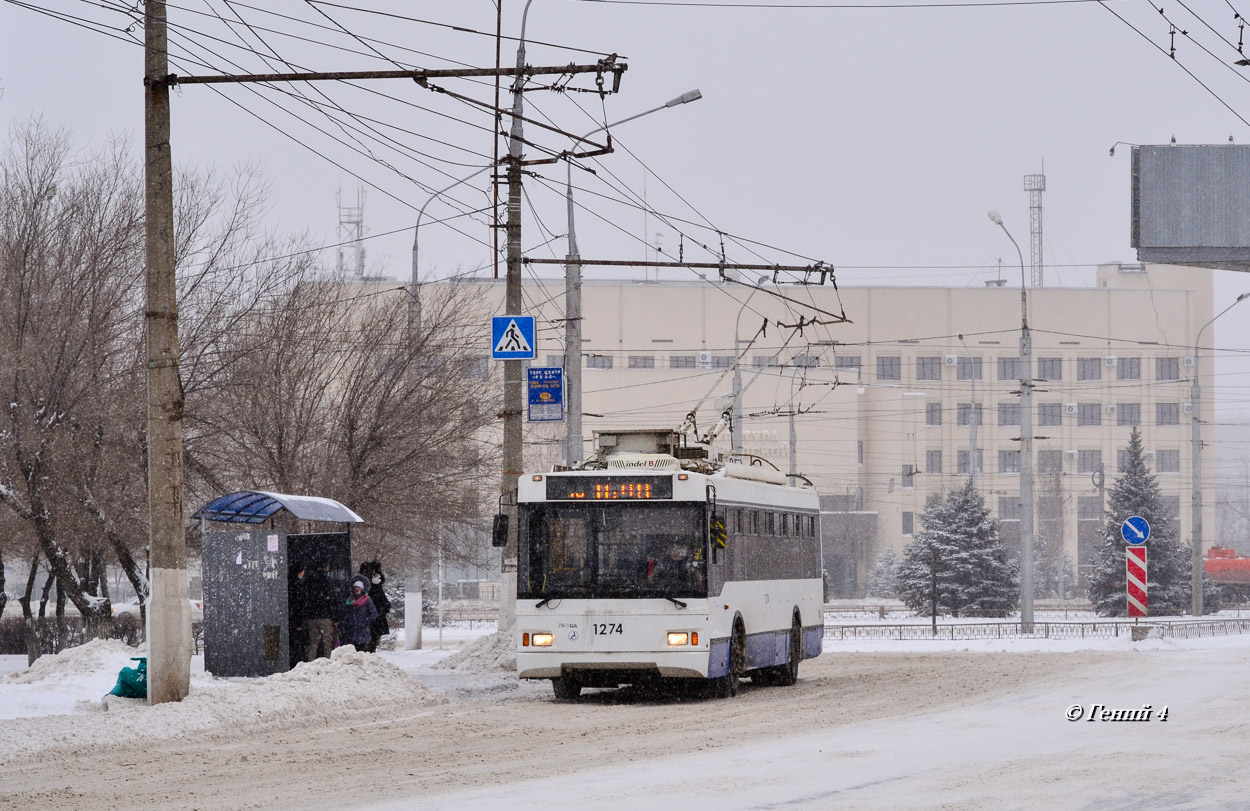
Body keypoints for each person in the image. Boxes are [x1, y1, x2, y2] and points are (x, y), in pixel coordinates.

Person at [303, 560, 338, 662]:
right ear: (325, 566)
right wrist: (335, 616)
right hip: (325, 616)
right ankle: (329, 661)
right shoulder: (327, 580)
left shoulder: (309, 580)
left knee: (313, 643)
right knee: (327, 642)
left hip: (312, 616)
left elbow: (306, 598)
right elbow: (332, 599)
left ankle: (310, 662)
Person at [340, 574, 378, 652]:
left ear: (362, 589)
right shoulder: (349, 600)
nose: (356, 589)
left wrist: (366, 621)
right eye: (355, 587)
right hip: (351, 630)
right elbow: (345, 612)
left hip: (363, 630)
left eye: (358, 587)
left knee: (361, 650)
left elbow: (374, 613)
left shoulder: (367, 600)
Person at [359, 561, 391, 653]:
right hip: (375, 617)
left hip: (372, 617)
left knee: (369, 642)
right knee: (371, 641)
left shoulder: (366, 585)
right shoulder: (374, 585)